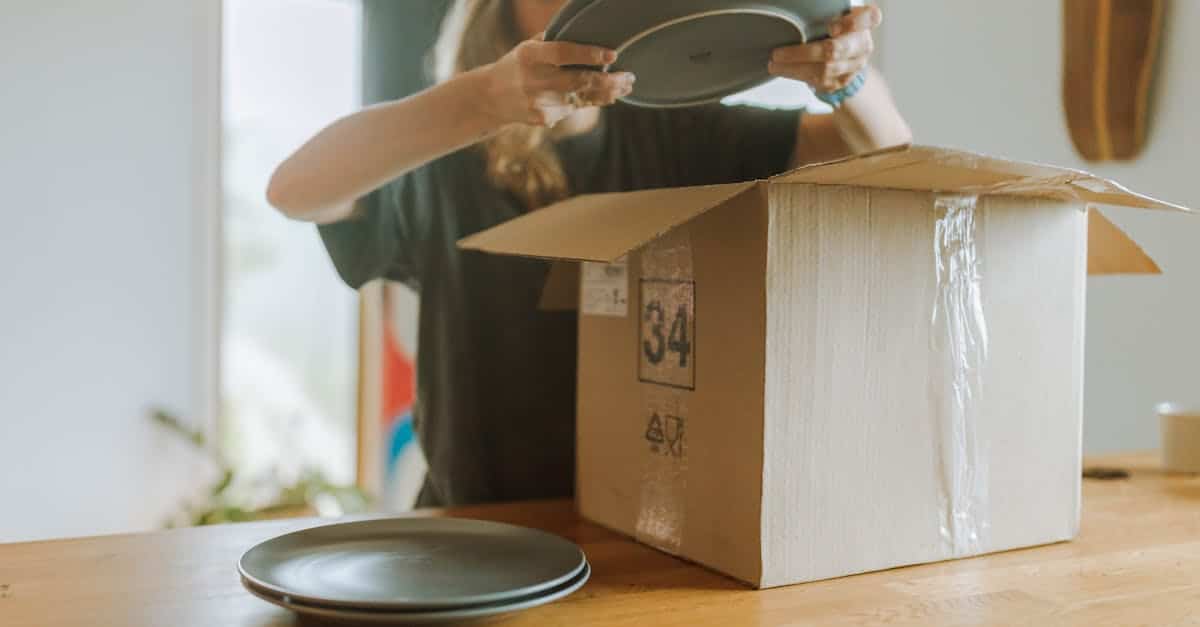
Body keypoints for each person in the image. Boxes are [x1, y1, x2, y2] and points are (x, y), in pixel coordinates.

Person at [267, 0, 912, 507]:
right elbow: (295, 191)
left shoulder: (682, 134)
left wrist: (849, 78)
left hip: (650, 525)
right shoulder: (447, 158)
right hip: (476, 526)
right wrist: (483, 99)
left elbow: (884, 154)